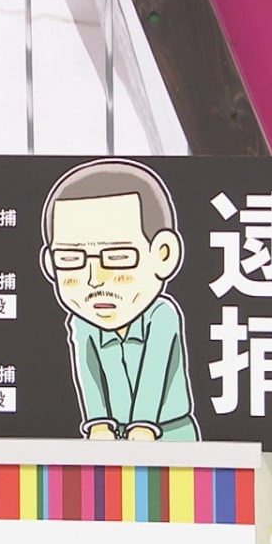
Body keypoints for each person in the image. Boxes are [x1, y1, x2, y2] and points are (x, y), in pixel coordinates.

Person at [39, 158, 200, 442]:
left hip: (172, 433)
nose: (95, 278)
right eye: (70, 259)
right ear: (50, 264)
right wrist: (98, 424)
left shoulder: (162, 315)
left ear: (163, 255)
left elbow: (154, 372)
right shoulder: (81, 323)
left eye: (117, 257)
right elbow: (89, 375)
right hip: (111, 440)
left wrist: (143, 426)